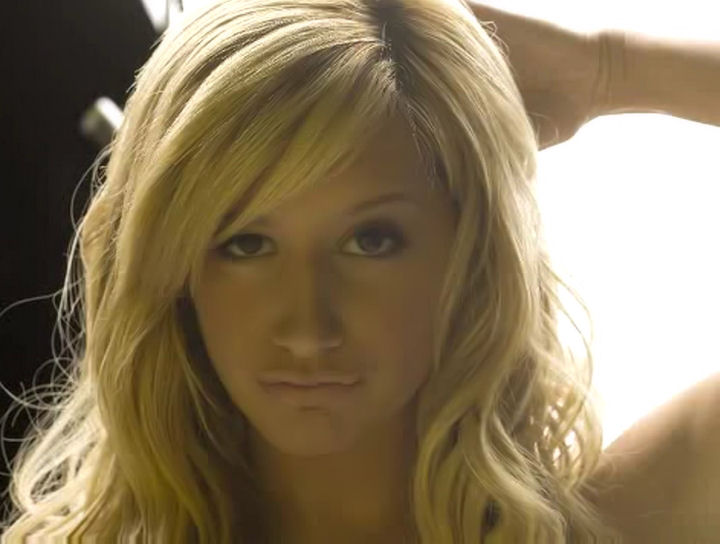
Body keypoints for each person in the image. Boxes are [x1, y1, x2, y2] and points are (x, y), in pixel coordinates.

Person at [0, 0, 717, 542]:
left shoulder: (614, 523)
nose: (307, 328)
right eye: (246, 245)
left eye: (371, 240)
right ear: (174, 269)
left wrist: (606, 66)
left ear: (470, 253)